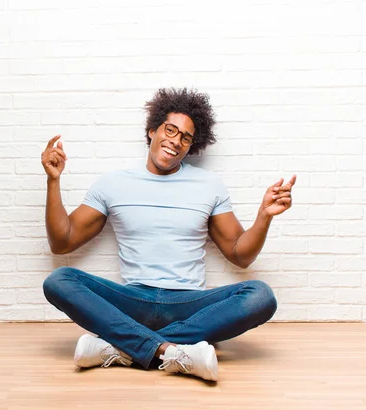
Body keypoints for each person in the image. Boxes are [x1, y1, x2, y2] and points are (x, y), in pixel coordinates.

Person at [41, 88, 296, 382]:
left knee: (260, 296)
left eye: (185, 137)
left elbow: (241, 255)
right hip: (132, 300)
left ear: (192, 146)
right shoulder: (112, 183)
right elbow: (62, 243)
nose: (176, 141)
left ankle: (124, 347)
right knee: (59, 280)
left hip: (188, 306)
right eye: (170, 130)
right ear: (152, 130)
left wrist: (264, 216)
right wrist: (53, 181)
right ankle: (171, 351)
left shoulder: (208, 185)